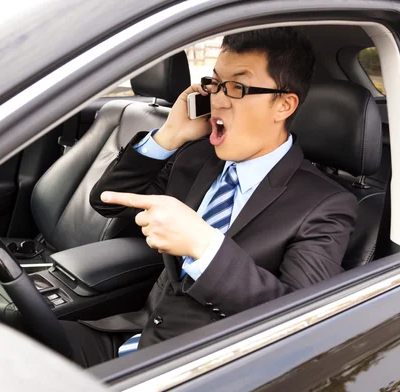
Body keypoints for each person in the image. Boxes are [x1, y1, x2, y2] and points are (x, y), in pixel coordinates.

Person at [61, 27, 358, 368]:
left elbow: (298, 319)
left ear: (283, 105)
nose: (218, 99)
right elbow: (108, 201)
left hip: (201, 366)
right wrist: (169, 136)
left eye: (237, 87)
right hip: (132, 339)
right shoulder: (197, 157)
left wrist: (205, 246)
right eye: (214, 84)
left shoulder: (326, 205)